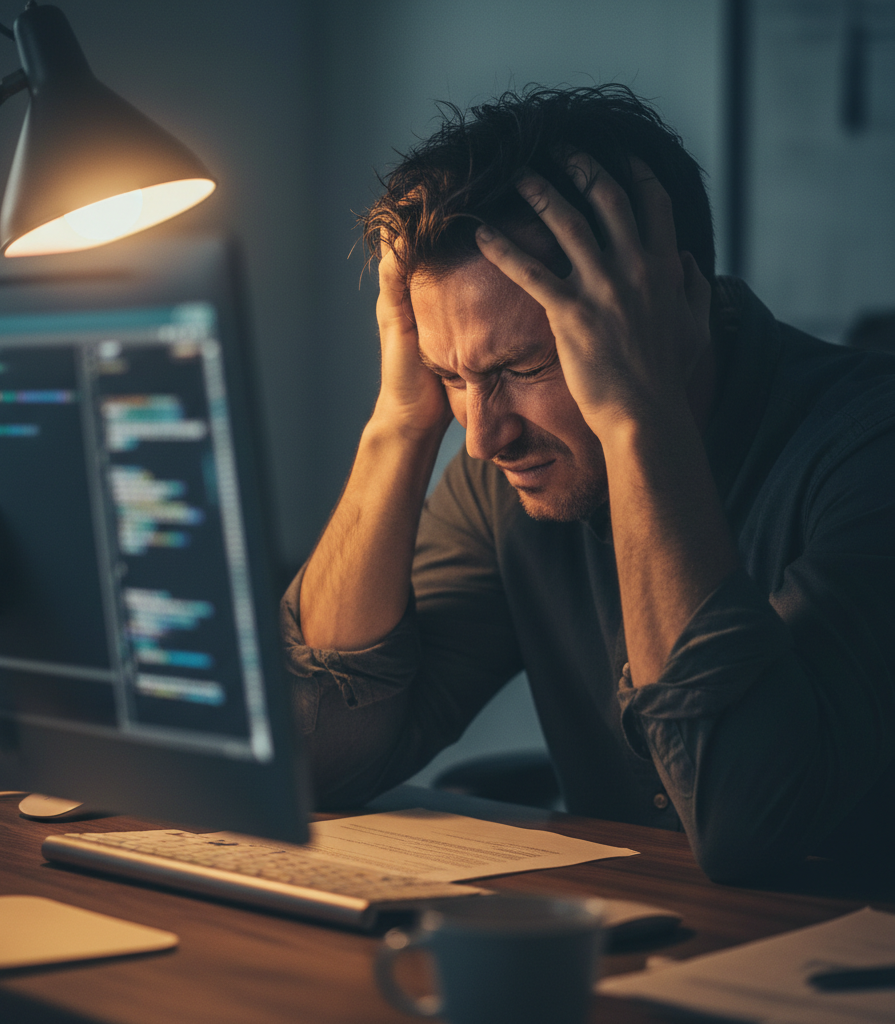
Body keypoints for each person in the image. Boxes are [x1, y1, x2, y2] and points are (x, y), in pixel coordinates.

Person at [281, 85, 895, 882]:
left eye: (527, 366)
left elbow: (748, 823)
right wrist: (400, 423)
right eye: (451, 377)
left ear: (666, 301)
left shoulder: (867, 449)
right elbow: (310, 757)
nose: (483, 440)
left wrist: (641, 418)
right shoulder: (507, 474)